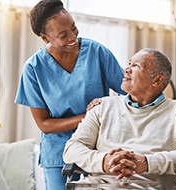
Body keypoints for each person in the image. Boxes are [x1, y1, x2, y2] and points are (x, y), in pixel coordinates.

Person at [14, 0, 126, 189]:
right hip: (58, 153)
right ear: (45, 37)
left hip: (98, 150)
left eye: (74, 28)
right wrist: (88, 117)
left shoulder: (97, 52)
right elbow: (44, 124)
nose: (73, 36)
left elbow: (130, 92)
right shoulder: (33, 69)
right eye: (63, 35)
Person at [63, 48, 176, 188]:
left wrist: (148, 162)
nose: (127, 69)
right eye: (129, 63)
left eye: (136, 65)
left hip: (154, 187)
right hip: (102, 186)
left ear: (157, 80)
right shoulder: (103, 107)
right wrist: (104, 161)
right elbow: (71, 149)